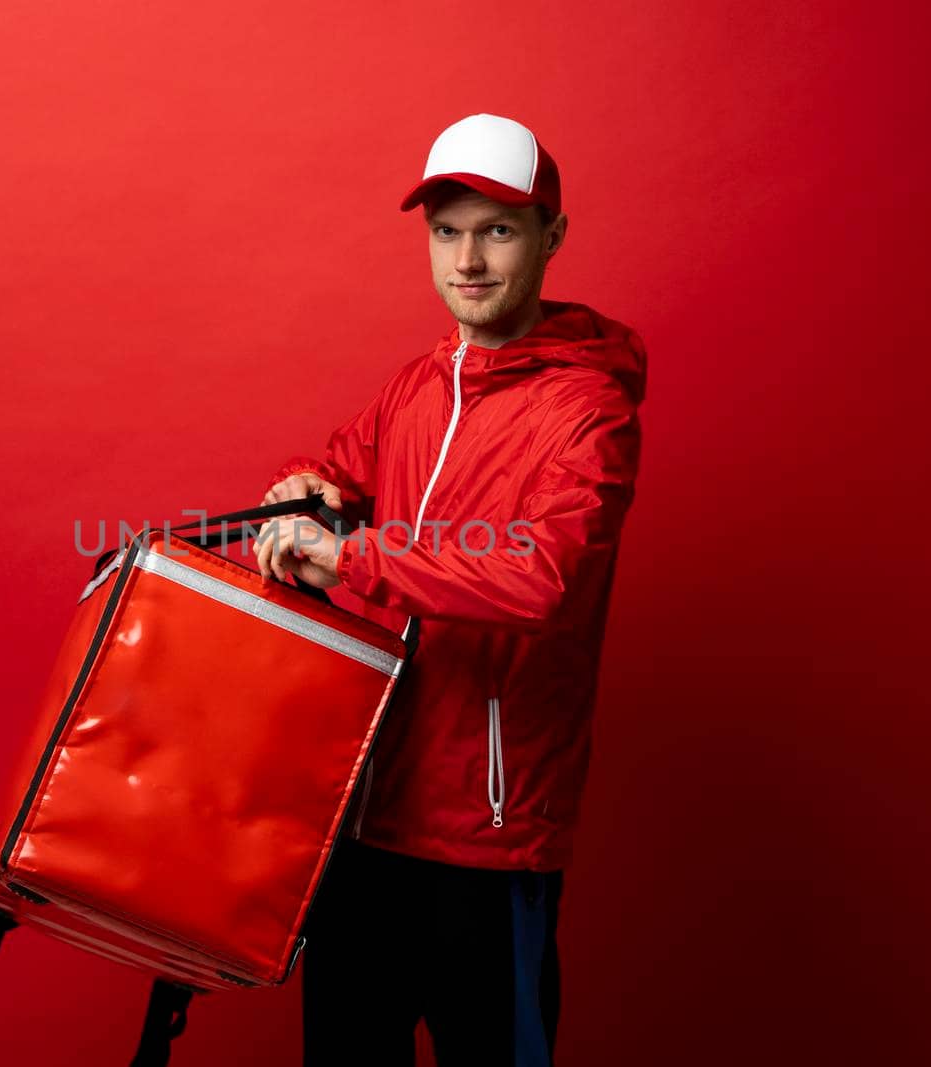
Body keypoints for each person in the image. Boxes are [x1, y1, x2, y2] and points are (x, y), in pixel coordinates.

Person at [253, 114, 648, 1066]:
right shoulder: (419, 385)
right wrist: (306, 487)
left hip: (488, 835)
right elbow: (342, 469)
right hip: (360, 812)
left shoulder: (590, 412)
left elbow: (538, 574)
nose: (466, 259)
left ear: (552, 237)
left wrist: (352, 556)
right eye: (445, 231)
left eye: (498, 231)